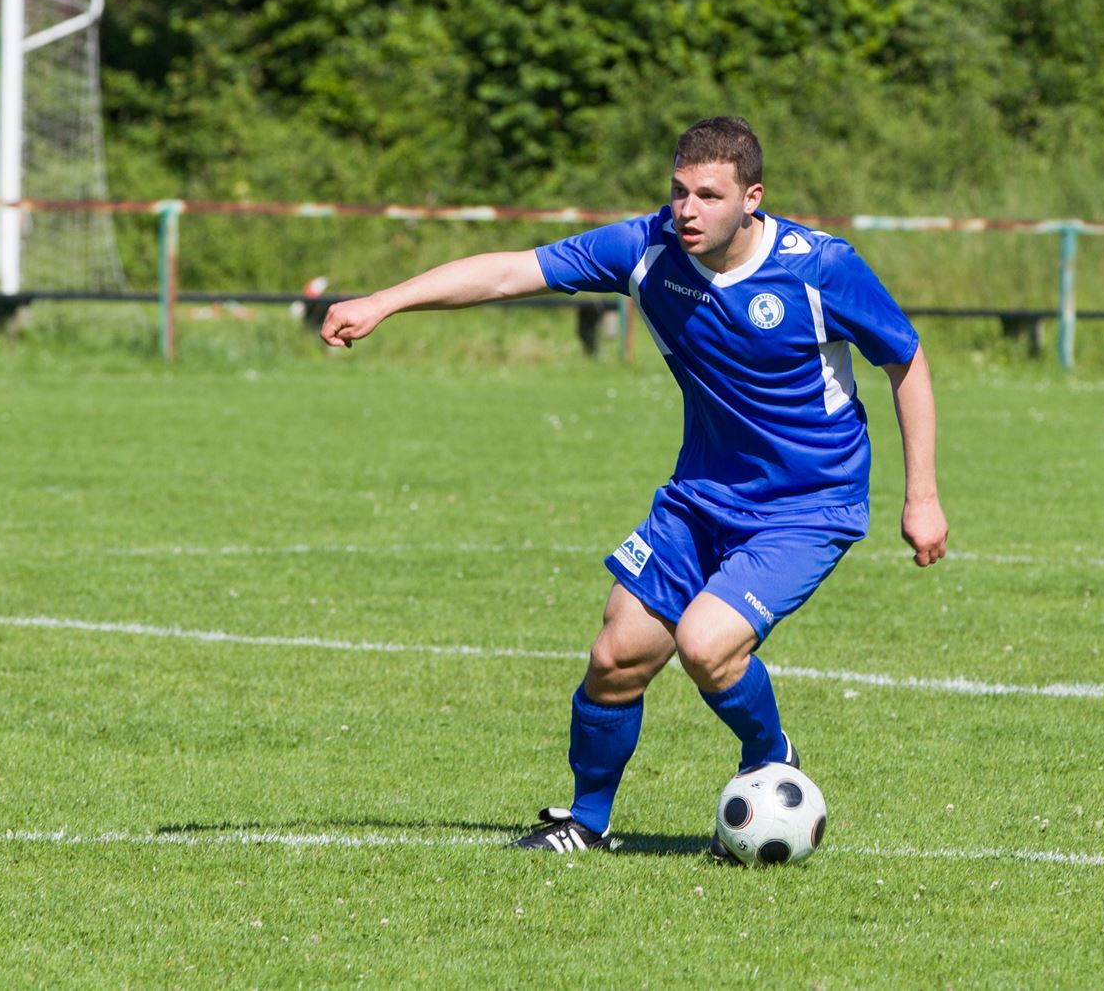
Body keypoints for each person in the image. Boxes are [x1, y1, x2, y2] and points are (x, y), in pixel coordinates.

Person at [321, 116, 947, 856]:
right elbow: (509, 272)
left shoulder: (821, 267)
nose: (688, 210)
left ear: (752, 199)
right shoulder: (646, 249)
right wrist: (383, 302)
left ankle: (771, 756)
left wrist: (922, 495)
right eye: (679, 191)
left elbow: (905, 359)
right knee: (616, 655)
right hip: (700, 495)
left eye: (709, 196)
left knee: (706, 644)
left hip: (807, 504)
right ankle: (586, 821)